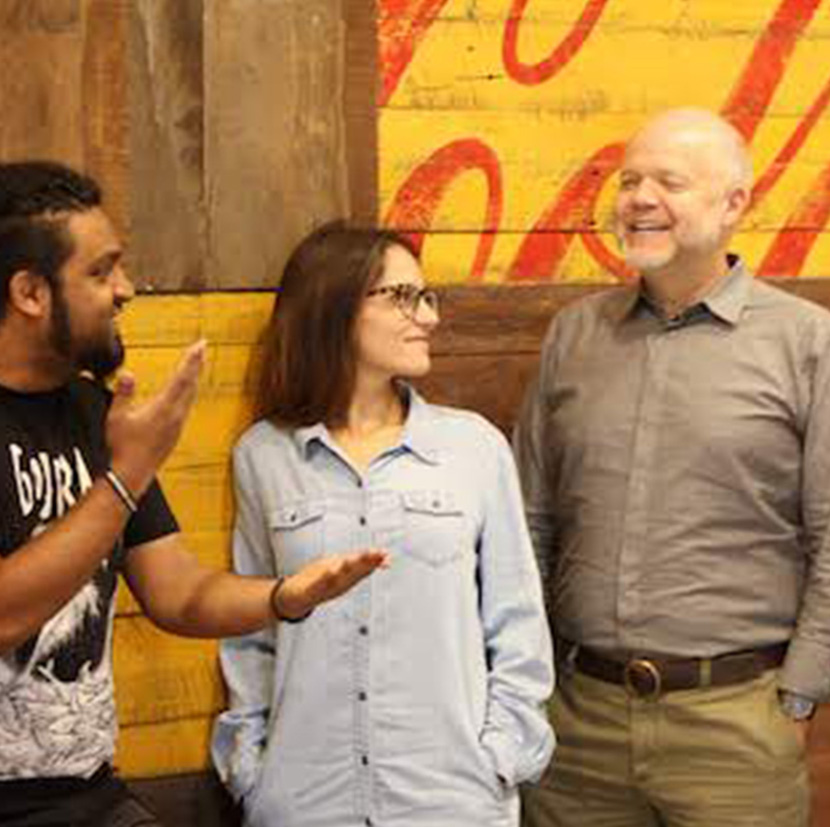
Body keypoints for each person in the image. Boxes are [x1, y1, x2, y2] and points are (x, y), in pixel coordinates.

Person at [514, 107, 830, 827]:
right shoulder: (575, 335)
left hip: (736, 725)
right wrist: (532, 680)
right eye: (629, 181)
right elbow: (531, 514)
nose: (640, 198)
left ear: (734, 202)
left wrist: (797, 699)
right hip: (577, 722)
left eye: (669, 182)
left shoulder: (812, 345)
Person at [0, 161, 387, 827]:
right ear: (30, 292)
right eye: (100, 271)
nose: (124, 290)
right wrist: (124, 480)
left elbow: (176, 591)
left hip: (89, 792)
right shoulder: (120, 453)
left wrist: (281, 596)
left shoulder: (95, 413)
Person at [212, 221, 555, 827]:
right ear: (334, 306)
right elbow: (251, 635)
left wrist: (499, 760)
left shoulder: (473, 448)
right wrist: (251, 773)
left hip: (452, 802)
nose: (427, 317)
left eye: (427, 297)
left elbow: (517, 624)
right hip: (306, 802)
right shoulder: (264, 455)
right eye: (402, 296)